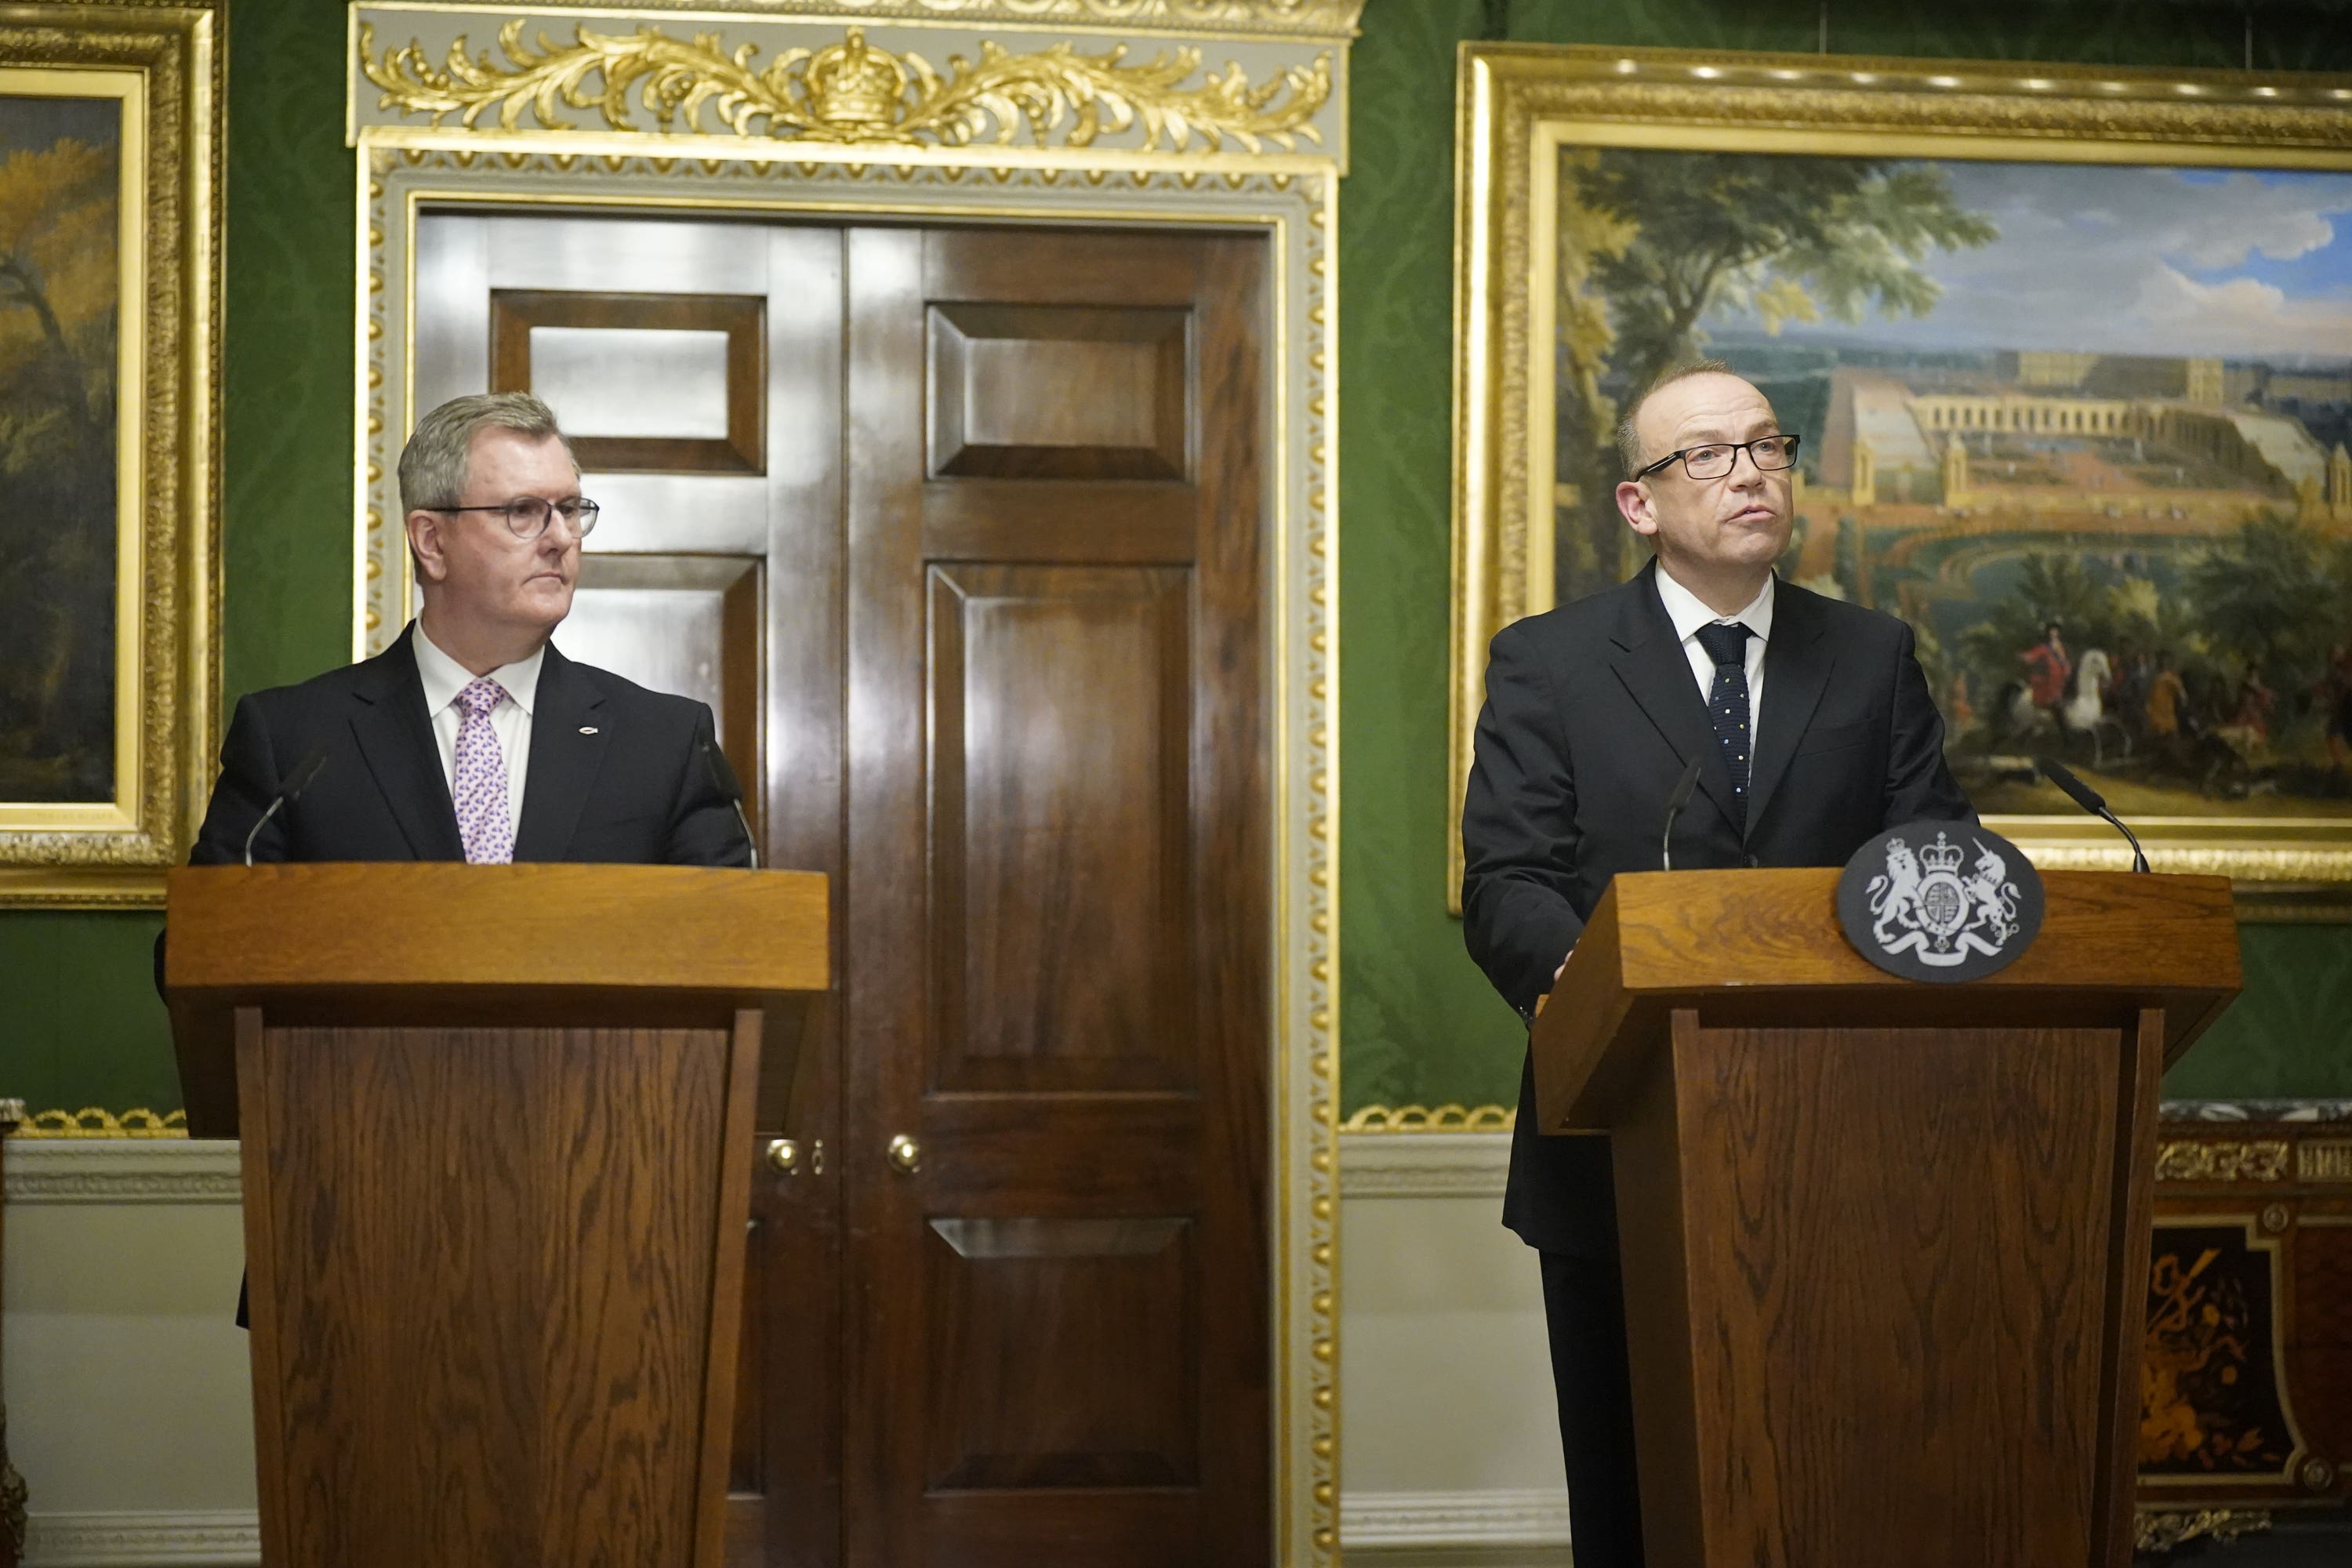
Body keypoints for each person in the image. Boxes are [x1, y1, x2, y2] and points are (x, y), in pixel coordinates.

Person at [1458, 361, 1972, 1566]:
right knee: (1637, 1506)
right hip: (1618, 1147)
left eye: (1768, 447)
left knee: (1828, 1494)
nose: (1749, 471)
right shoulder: (1552, 661)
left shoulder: (1873, 654)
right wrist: (1598, 986)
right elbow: (1508, 882)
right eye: (1707, 453)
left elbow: (1932, 858)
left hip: (1844, 1149)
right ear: (1639, 503)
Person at [187, 392, 750, 868]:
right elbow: (203, 951)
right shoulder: (295, 744)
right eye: (523, 512)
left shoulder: (664, 743)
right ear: (431, 541)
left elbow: (741, 949)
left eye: (570, 508)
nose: (560, 538)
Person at [2021, 622, 2071, 716]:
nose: (2054, 633)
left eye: (2056, 631)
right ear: (2048, 633)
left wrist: (2067, 669)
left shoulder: (2061, 647)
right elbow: (2033, 656)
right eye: (2052, 631)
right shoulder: (2044, 647)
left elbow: (2064, 660)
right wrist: (2026, 657)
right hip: (2049, 678)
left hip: (2060, 676)